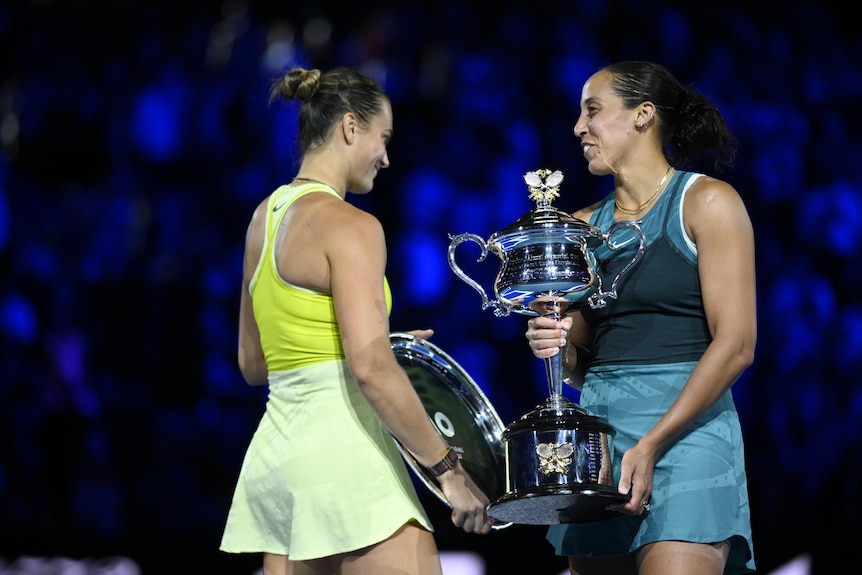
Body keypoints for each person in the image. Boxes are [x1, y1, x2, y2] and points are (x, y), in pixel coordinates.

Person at [220, 66, 493, 575]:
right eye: (382, 138)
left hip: (281, 467)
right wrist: (448, 473)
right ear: (350, 127)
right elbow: (371, 368)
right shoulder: (353, 226)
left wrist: (368, 344)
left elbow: (255, 364)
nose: (387, 158)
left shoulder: (264, 217)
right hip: (345, 461)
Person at [525, 61, 756, 575]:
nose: (578, 128)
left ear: (643, 116)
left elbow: (737, 344)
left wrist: (653, 443)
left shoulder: (707, 202)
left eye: (593, 110)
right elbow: (580, 365)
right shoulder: (580, 227)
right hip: (603, 442)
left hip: (689, 435)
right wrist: (554, 345)